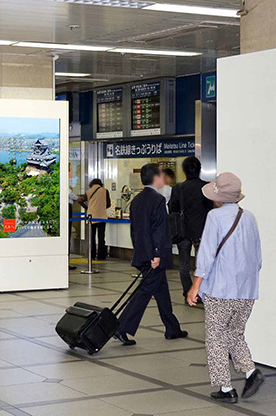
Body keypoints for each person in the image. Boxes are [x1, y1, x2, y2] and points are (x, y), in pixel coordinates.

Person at [186, 172, 264, 404]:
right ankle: (251, 372)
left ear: (218, 196)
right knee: (234, 333)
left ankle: (226, 388)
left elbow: (206, 254)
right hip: (247, 290)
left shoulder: (215, 217)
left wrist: (195, 286)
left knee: (216, 337)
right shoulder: (249, 218)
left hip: (221, 289)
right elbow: (258, 258)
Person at [113, 163, 187, 346]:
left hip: (142, 253)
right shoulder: (157, 200)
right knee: (144, 292)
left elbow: (135, 230)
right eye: (161, 175)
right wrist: (156, 255)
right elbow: (159, 230)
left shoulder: (137, 200)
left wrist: (141, 251)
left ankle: (172, 328)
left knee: (161, 291)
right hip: (154, 256)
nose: (163, 178)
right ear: (155, 177)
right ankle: (121, 328)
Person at [170, 157, 214, 302]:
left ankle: (188, 293)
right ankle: (201, 293)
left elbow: (172, 209)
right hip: (202, 232)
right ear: (199, 169)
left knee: (184, 265)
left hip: (183, 232)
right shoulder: (206, 187)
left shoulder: (178, 188)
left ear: (184, 170)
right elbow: (210, 209)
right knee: (202, 264)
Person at [85, 178, 110, 260]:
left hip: (91, 216)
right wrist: (101, 207)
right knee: (101, 236)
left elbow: (81, 201)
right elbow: (108, 204)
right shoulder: (105, 191)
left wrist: (87, 208)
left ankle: (92, 255)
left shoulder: (88, 191)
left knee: (92, 236)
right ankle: (101, 255)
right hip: (101, 216)